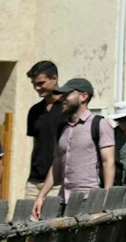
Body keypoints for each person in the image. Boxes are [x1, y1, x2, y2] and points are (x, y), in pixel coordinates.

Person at [32, 77, 116, 216]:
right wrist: (41, 196)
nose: (62, 98)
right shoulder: (62, 127)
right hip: (63, 200)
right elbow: (56, 164)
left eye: (67, 94)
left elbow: (109, 162)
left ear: (84, 96)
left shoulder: (100, 124)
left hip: (89, 200)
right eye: (61, 94)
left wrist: (106, 197)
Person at [22, 61, 66, 202]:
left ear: (54, 79)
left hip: (59, 182)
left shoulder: (68, 108)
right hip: (34, 182)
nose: (37, 88)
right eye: (34, 84)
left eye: (41, 83)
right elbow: (37, 144)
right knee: (25, 222)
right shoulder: (34, 111)